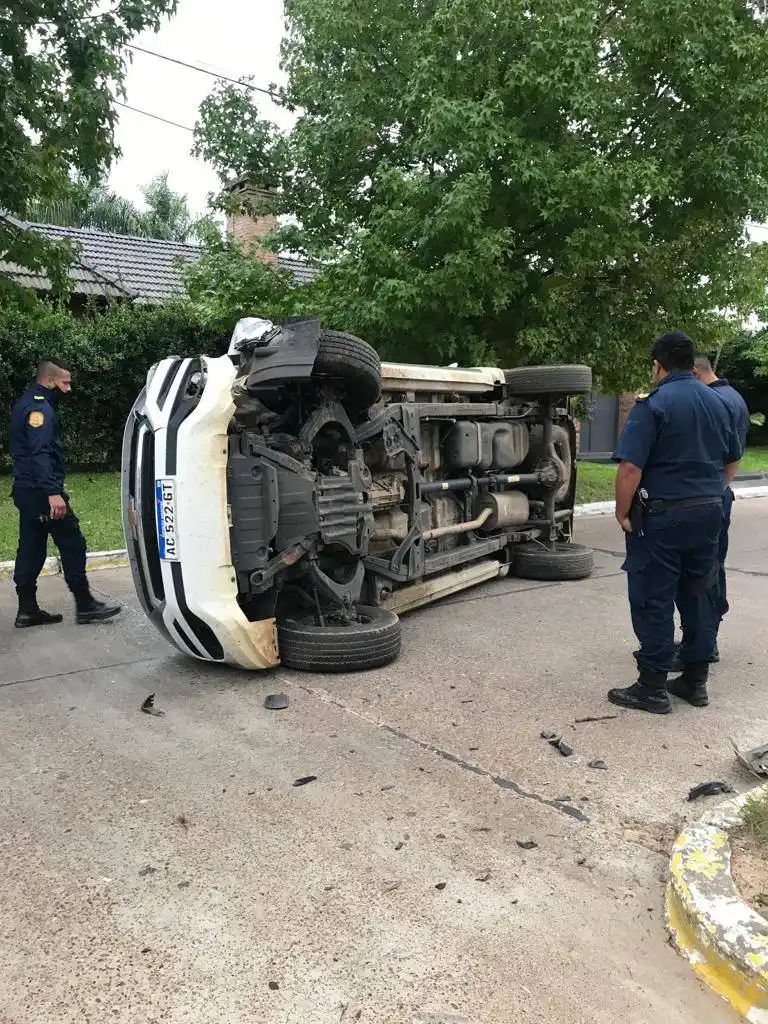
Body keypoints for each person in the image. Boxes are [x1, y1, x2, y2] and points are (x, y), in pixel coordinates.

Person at [608, 331, 741, 714]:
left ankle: (651, 687)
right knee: (699, 593)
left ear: (658, 365)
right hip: (709, 512)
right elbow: (733, 460)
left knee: (654, 596)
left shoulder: (655, 404)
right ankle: (694, 681)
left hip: (664, 518)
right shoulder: (718, 402)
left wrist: (622, 512)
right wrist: (711, 494)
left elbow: (631, 467)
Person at [9, 359, 121, 627]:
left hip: (26, 490)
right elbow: (41, 452)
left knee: (31, 548)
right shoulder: (39, 409)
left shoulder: (27, 401)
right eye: (65, 383)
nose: (68, 389)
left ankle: (27, 610)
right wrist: (52, 493)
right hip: (40, 492)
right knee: (72, 542)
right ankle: (85, 605)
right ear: (49, 381)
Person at [667, 354, 749, 671]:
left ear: (694, 372)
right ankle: (701, 642)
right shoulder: (732, 398)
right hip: (717, 496)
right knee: (711, 569)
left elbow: (728, 455)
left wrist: (714, 490)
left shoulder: (712, 401)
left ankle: (702, 645)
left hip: (706, 497)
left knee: (700, 576)